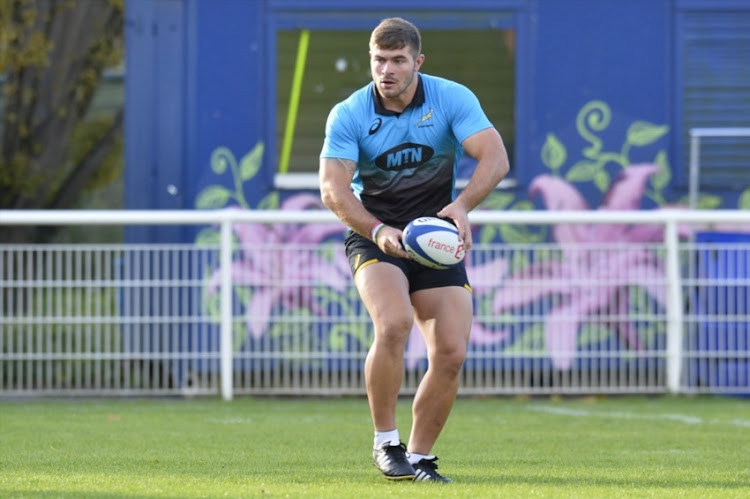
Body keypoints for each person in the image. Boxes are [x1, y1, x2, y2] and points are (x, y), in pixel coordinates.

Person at [319, 17, 509, 483]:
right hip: (375, 234)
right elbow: (332, 188)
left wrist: (462, 206)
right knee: (395, 323)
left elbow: (495, 157)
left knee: (450, 351)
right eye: (379, 60)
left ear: (417, 62)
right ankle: (386, 443)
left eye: (397, 60)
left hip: (437, 238)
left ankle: (420, 458)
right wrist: (378, 228)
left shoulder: (450, 98)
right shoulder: (350, 113)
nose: (387, 69)